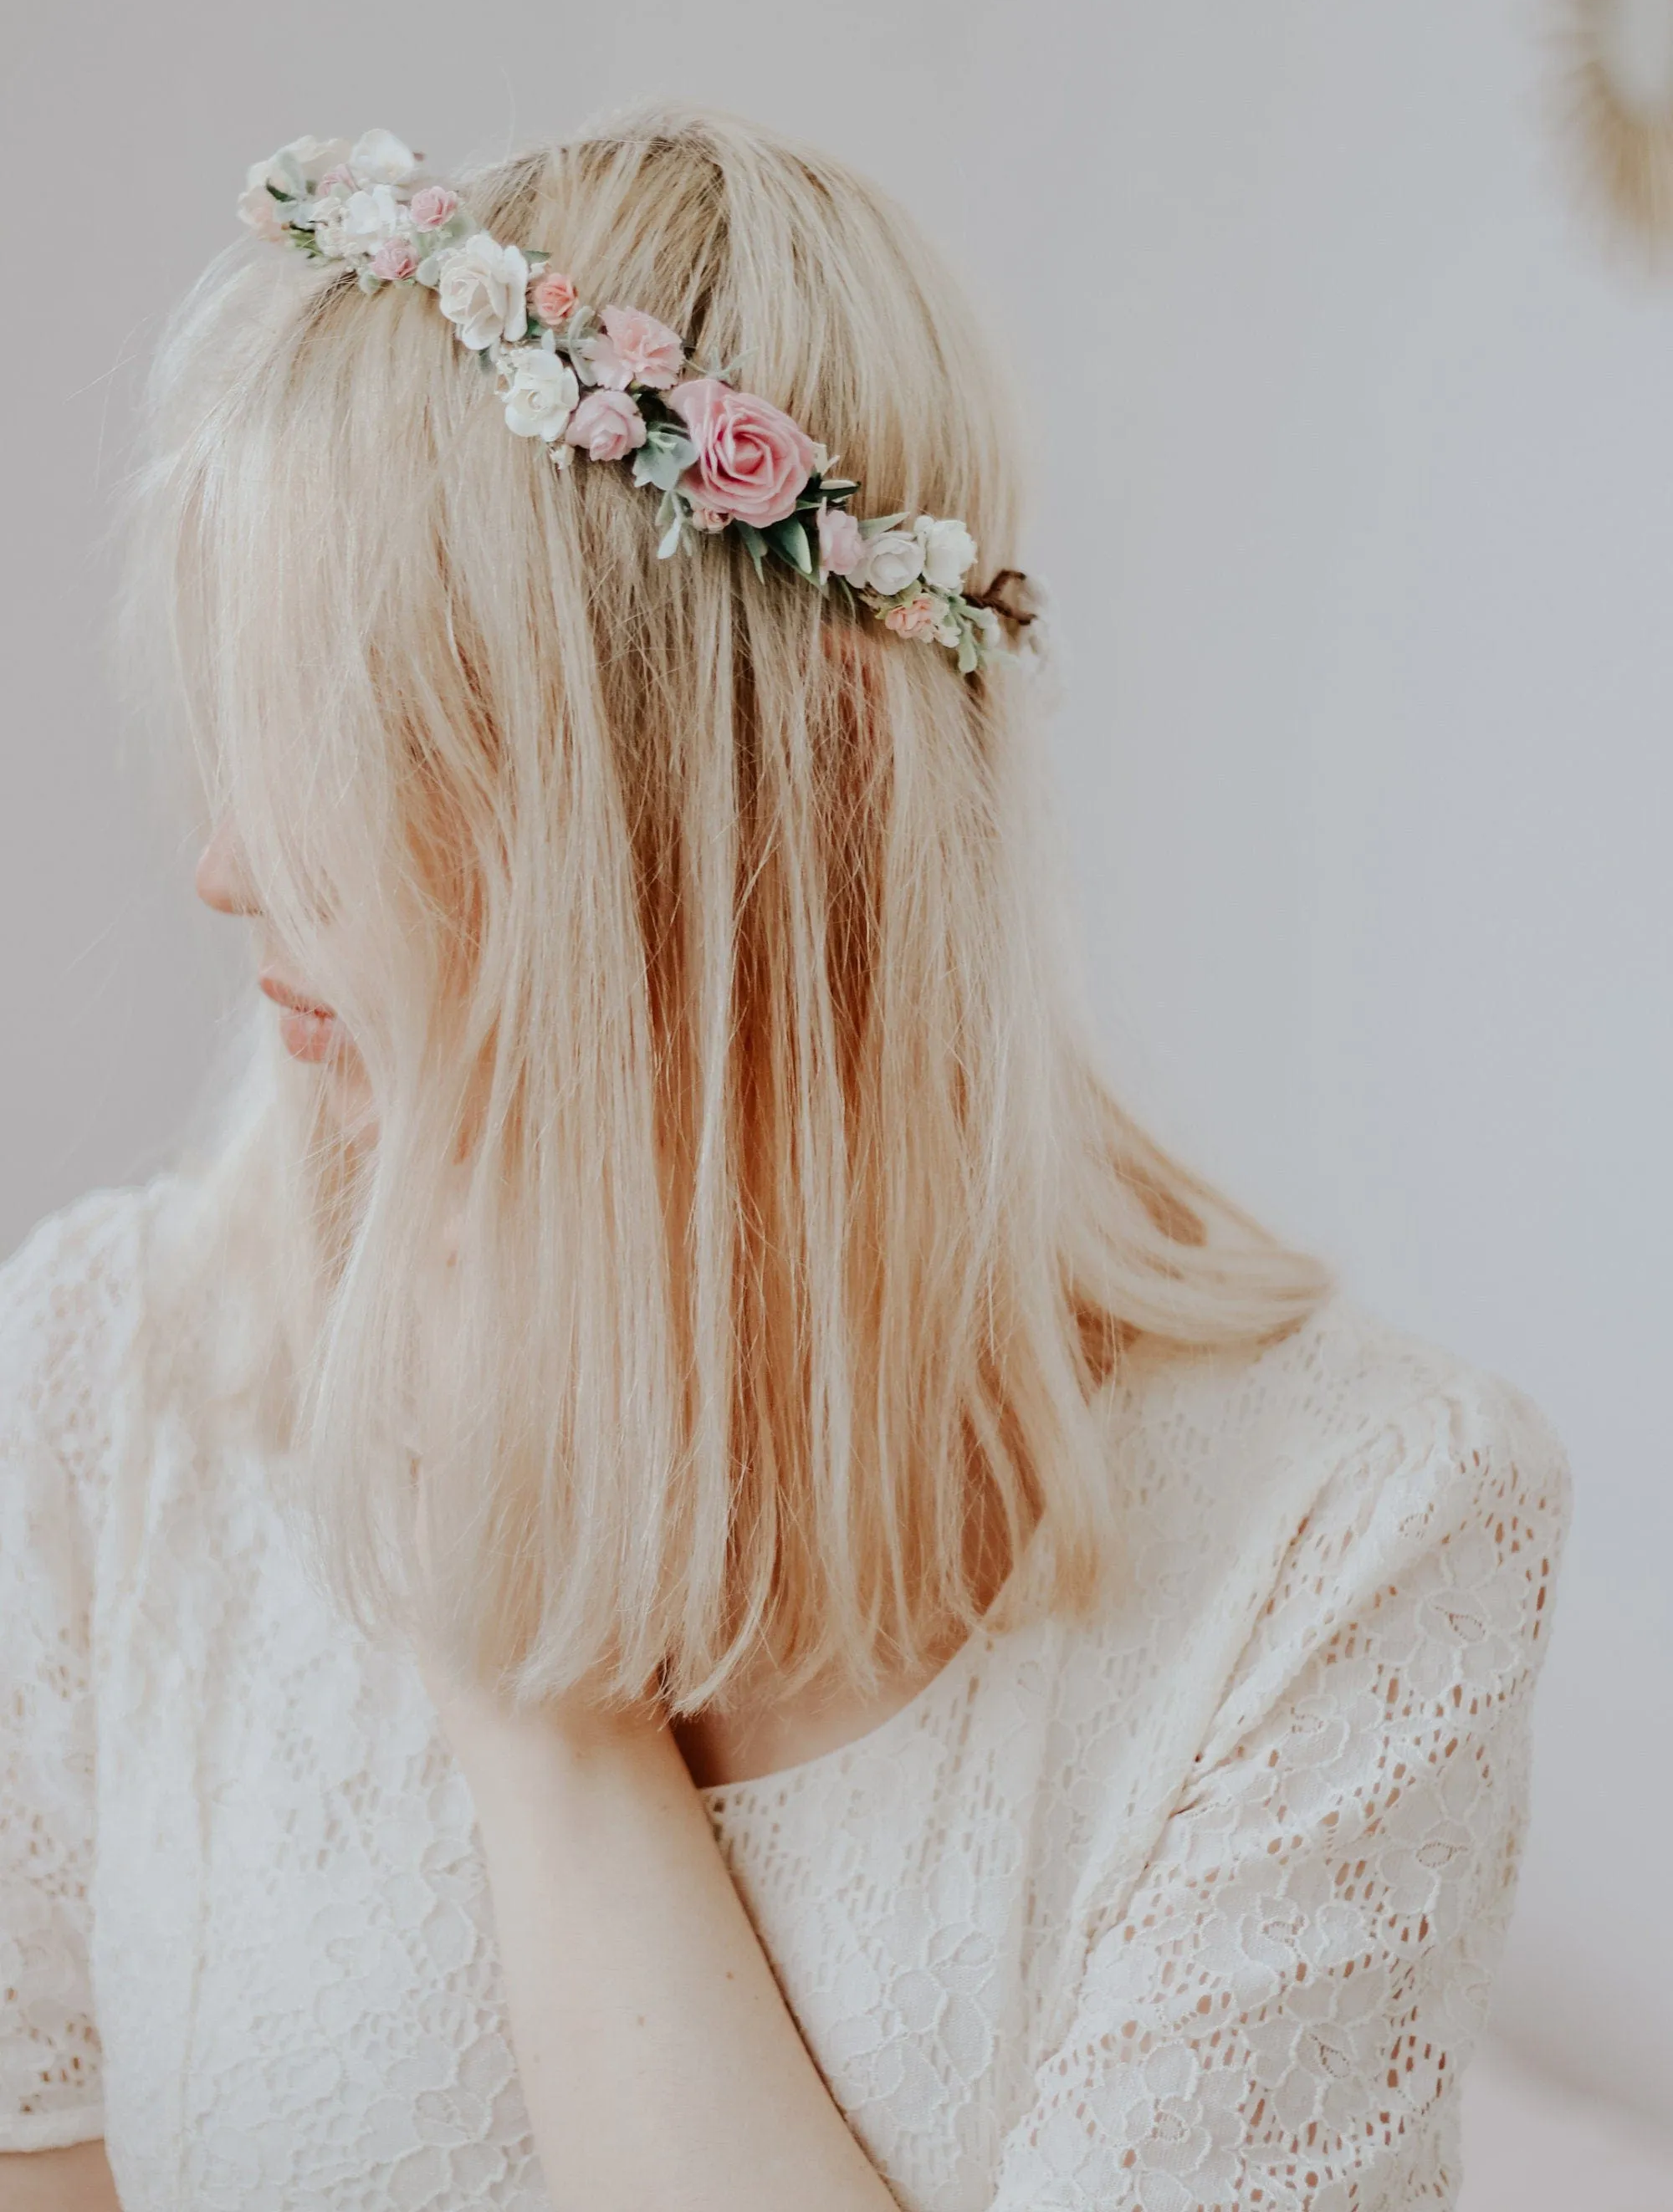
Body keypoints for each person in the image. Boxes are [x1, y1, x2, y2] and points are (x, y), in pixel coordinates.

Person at [0, 108, 1568, 2212]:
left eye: (369, 743)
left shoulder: (1346, 1540)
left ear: (800, 780)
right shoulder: (115, 1385)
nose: (222, 871)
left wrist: (538, 1711)